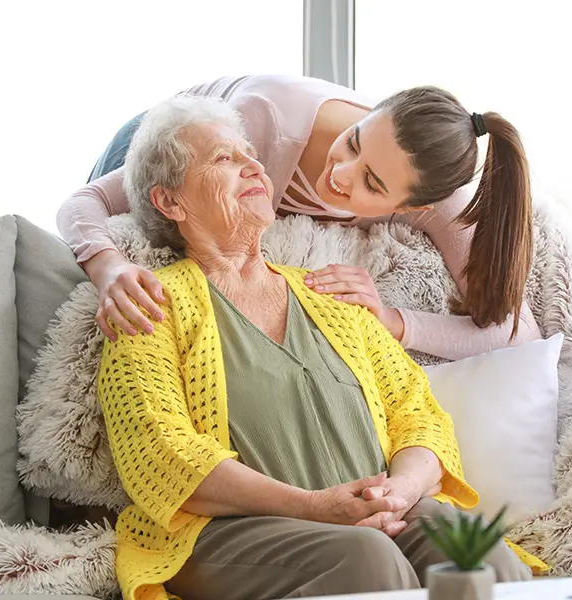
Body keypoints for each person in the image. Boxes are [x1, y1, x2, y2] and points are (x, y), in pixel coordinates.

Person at [97, 95, 547, 600]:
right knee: (366, 559)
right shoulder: (147, 307)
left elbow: (417, 415)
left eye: (249, 152)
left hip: (380, 510)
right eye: (224, 158)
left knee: (480, 555)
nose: (252, 164)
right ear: (170, 202)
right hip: (230, 531)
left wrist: (399, 491)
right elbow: (163, 459)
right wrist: (313, 507)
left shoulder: (330, 293)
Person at [59, 74, 541, 362]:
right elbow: (81, 204)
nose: (341, 174)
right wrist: (109, 268)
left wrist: (391, 321)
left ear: (413, 208)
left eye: (372, 183)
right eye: (354, 141)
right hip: (164, 141)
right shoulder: (261, 127)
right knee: (81, 286)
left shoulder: (438, 200)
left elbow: (516, 332)